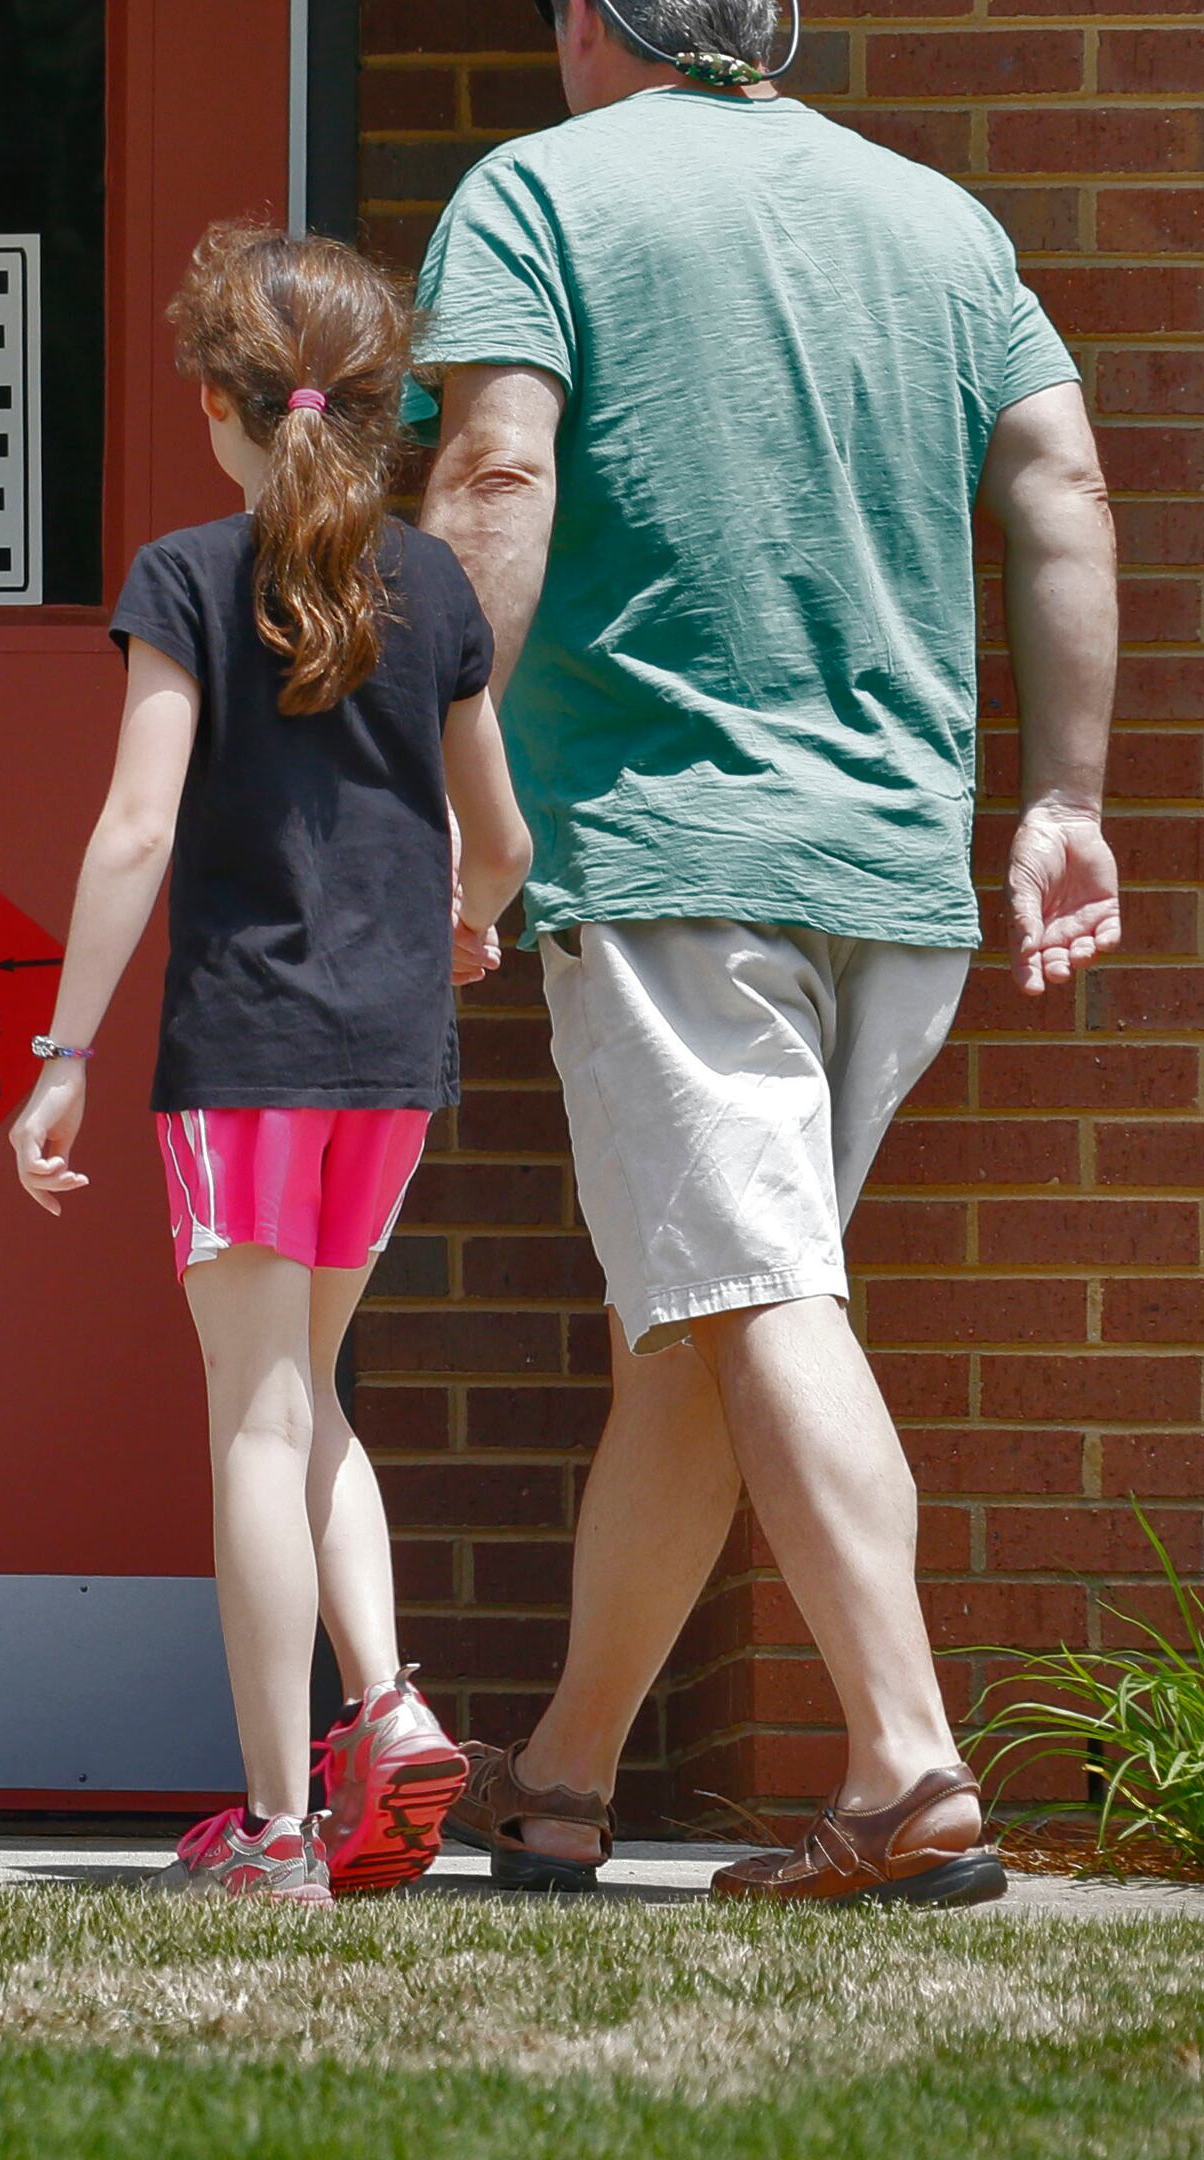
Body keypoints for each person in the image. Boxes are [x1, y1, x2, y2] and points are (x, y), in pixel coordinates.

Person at [413, 0, 1120, 1906]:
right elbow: (1060, 485)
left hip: (666, 852)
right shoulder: (937, 219)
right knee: (709, 1320)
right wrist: (1066, 795)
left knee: (749, 1290)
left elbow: (492, 477)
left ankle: (903, 1765)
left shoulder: (538, 191)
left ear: (585, 22)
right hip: (894, 870)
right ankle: (563, 1778)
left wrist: (425, 779)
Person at [11, 224, 535, 1904]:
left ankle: (278, 1827)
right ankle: (383, 1713)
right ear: (380, 414)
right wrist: (472, 922)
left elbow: (134, 829)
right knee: (312, 1389)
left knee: (251, 1413)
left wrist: (60, 1051)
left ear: (230, 412)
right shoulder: (436, 588)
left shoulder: (183, 577)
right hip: (392, 1054)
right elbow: (502, 836)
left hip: (242, 1048)